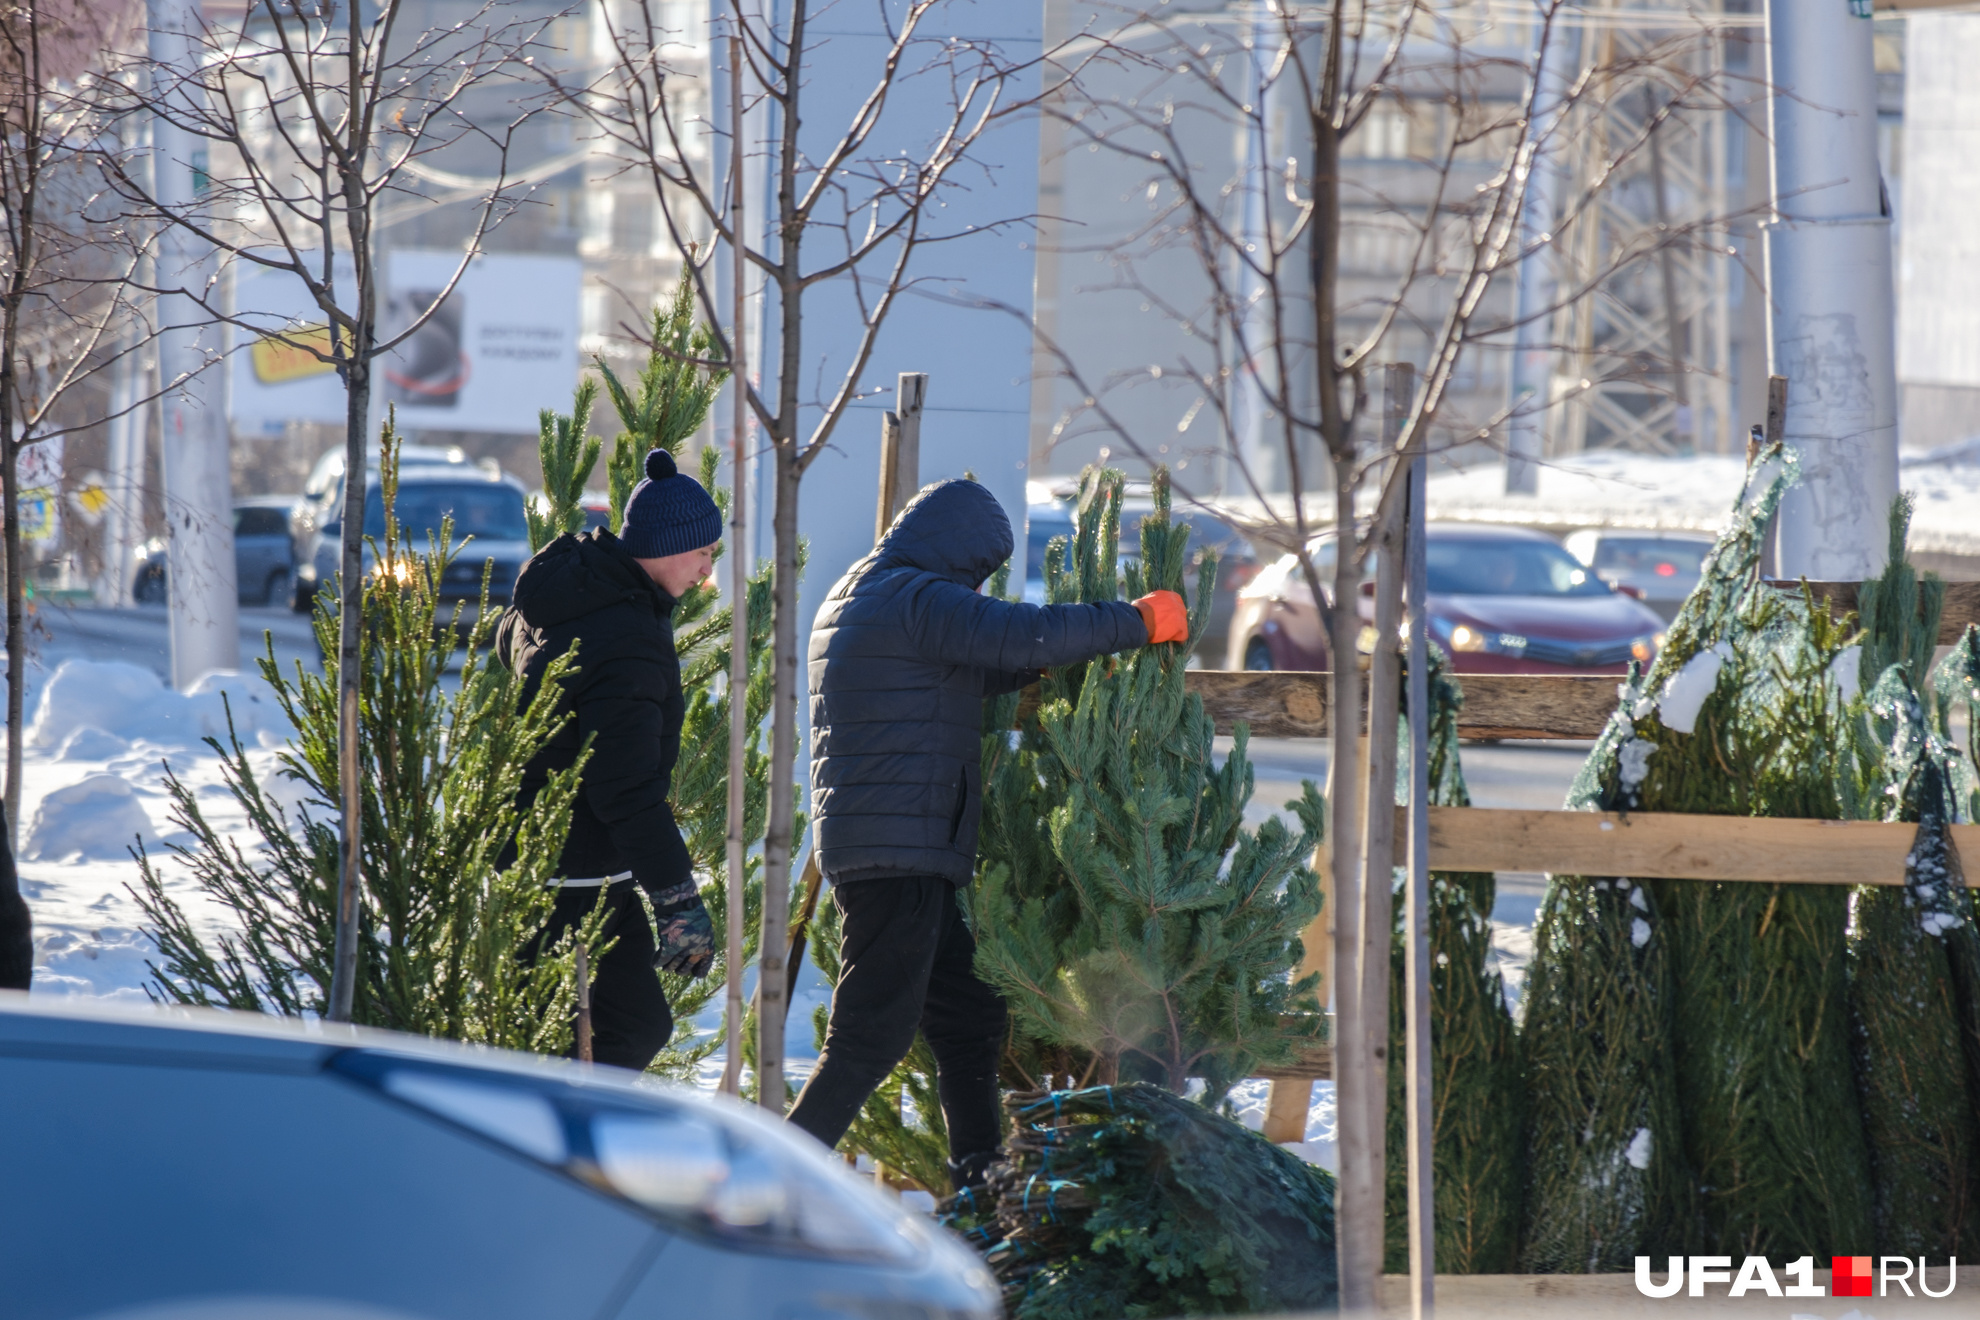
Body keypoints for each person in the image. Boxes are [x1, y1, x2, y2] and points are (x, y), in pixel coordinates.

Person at [787, 478, 1187, 1190]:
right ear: (962, 550)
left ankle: (980, 1177)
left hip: (893, 844)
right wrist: (1136, 620)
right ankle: (770, 1181)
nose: (979, 581)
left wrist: (1033, 670)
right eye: (981, 566)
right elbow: (1020, 632)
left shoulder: (866, 593)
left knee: (967, 1015)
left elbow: (953, 677)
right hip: (899, 851)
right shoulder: (915, 596)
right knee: (866, 1038)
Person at [496, 448, 721, 1070]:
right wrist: (677, 899)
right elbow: (624, 789)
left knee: (631, 1026)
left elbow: (509, 634)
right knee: (608, 1035)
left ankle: (562, 1142)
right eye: (704, 553)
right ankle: (550, 1149)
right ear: (670, 547)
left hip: (582, 869)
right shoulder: (624, 641)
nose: (707, 571)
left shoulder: (583, 592)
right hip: (569, 878)